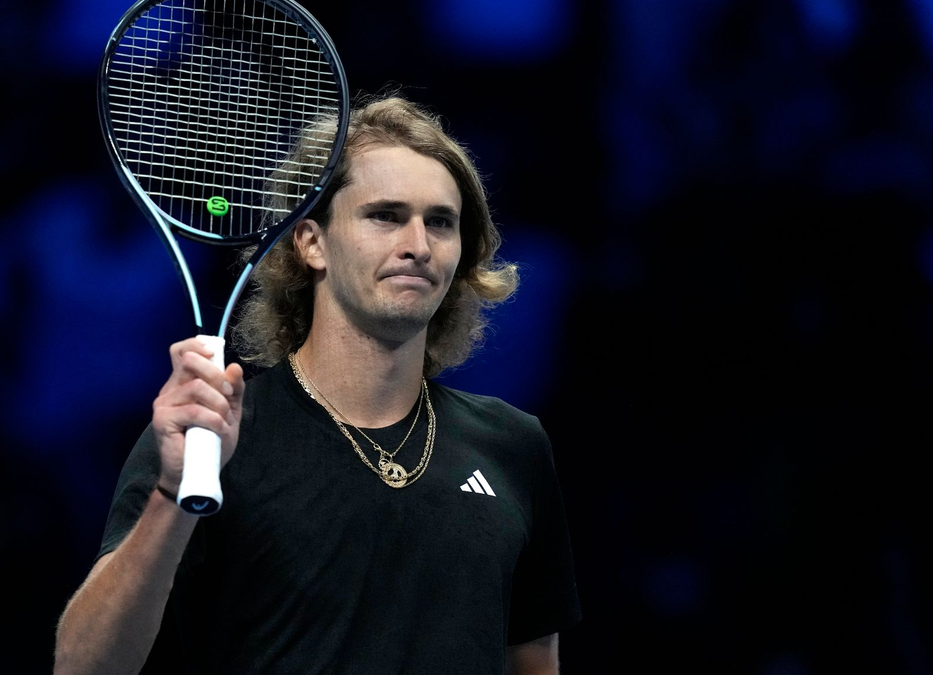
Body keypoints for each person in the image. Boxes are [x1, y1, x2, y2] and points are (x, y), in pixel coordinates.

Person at [53, 94, 581, 675]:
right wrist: (172, 497)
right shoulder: (212, 439)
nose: (418, 245)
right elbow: (83, 667)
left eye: (441, 222)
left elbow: (535, 661)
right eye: (385, 215)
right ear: (311, 243)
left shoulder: (514, 444)